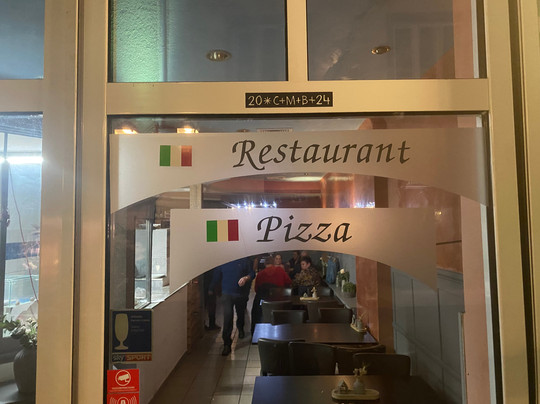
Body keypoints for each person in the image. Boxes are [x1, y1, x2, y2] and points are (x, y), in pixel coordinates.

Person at [209, 257, 254, 356]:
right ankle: (227, 344)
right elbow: (216, 275)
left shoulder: (244, 259)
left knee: (240, 313)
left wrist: (246, 278)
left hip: (240, 294)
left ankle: (240, 328)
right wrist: (211, 288)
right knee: (228, 317)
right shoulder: (223, 260)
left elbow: (252, 273)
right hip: (227, 294)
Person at [250, 255, 292, 334]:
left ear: (265, 264)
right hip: (279, 304)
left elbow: (256, 290)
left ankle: (255, 332)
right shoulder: (280, 270)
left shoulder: (260, 274)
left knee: (256, 307)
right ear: (273, 263)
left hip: (264, 305)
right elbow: (289, 282)